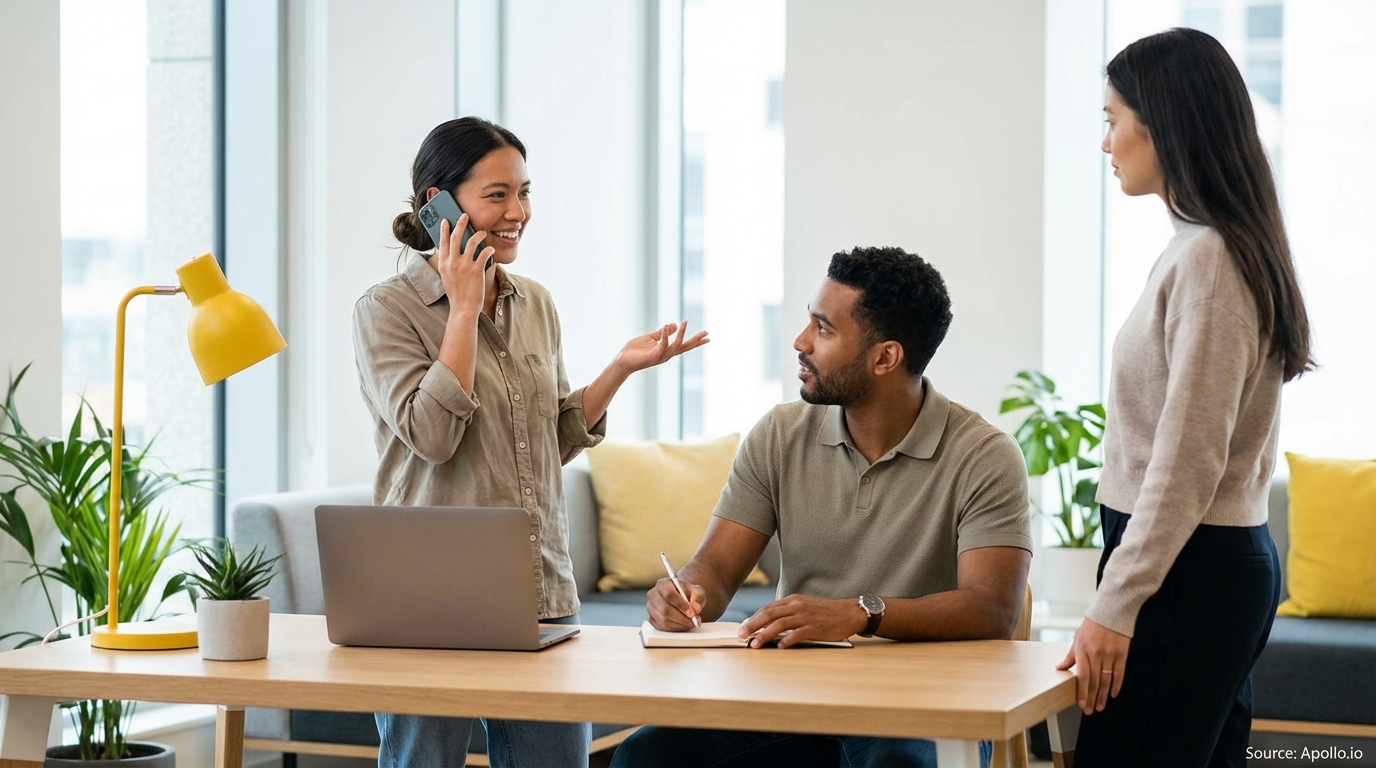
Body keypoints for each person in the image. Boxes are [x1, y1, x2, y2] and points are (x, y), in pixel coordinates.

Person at [353, 117, 708, 768]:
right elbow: (431, 436)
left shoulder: (535, 302)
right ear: (438, 203)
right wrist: (462, 310)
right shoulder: (386, 311)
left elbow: (553, 441)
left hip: (538, 588)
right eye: (497, 195)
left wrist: (620, 369)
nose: (518, 213)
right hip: (428, 601)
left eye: (525, 192)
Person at [610, 247, 1033, 768]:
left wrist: (860, 614)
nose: (800, 342)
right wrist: (686, 594)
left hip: (925, 705)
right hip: (794, 700)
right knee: (647, 757)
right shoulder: (780, 434)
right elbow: (716, 571)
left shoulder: (984, 455)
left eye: (823, 329)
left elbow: (992, 609)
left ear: (885, 358)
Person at [1057, 28, 1314, 767]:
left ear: (1160, 123)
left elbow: (1187, 462)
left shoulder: (1210, 261)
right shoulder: (1207, 247)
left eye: (1112, 121)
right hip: (1199, 567)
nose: (1107, 144)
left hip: (1187, 573)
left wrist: (1116, 603)